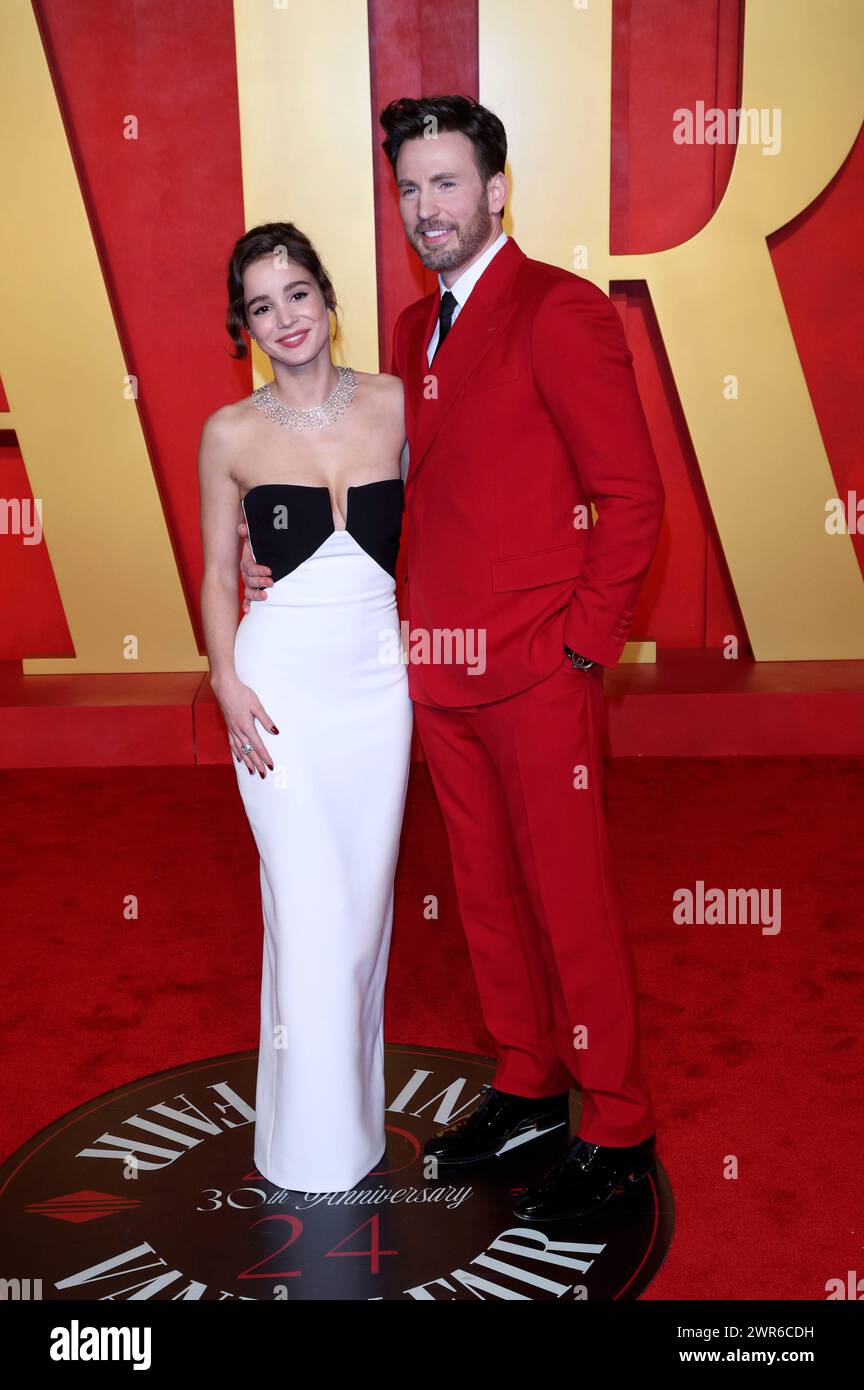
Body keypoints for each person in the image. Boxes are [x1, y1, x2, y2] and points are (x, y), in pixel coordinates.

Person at [240, 95, 666, 1222]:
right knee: (482, 895)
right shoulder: (403, 333)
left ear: (496, 188)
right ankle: (529, 1078)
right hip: (432, 671)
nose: (427, 207)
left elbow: (631, 497)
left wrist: (580, 648)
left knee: (568, 896)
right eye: (410, 188)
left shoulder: (560, 311)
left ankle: (617, 1123)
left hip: (538, 671)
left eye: (446, 183)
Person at [198, 222, 412, 1193]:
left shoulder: (395, 404)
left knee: (362, 920)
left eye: (296, 294)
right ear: (245, 326)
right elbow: (213, 573)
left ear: (326, 296)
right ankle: (304, 1154)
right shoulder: (230, 433)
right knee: (309, 914)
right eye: (261, 306)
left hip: (377, 689)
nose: (284, 318)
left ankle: (344, 1135)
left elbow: (450, 525)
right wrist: (225, 684)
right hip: (276, 691)